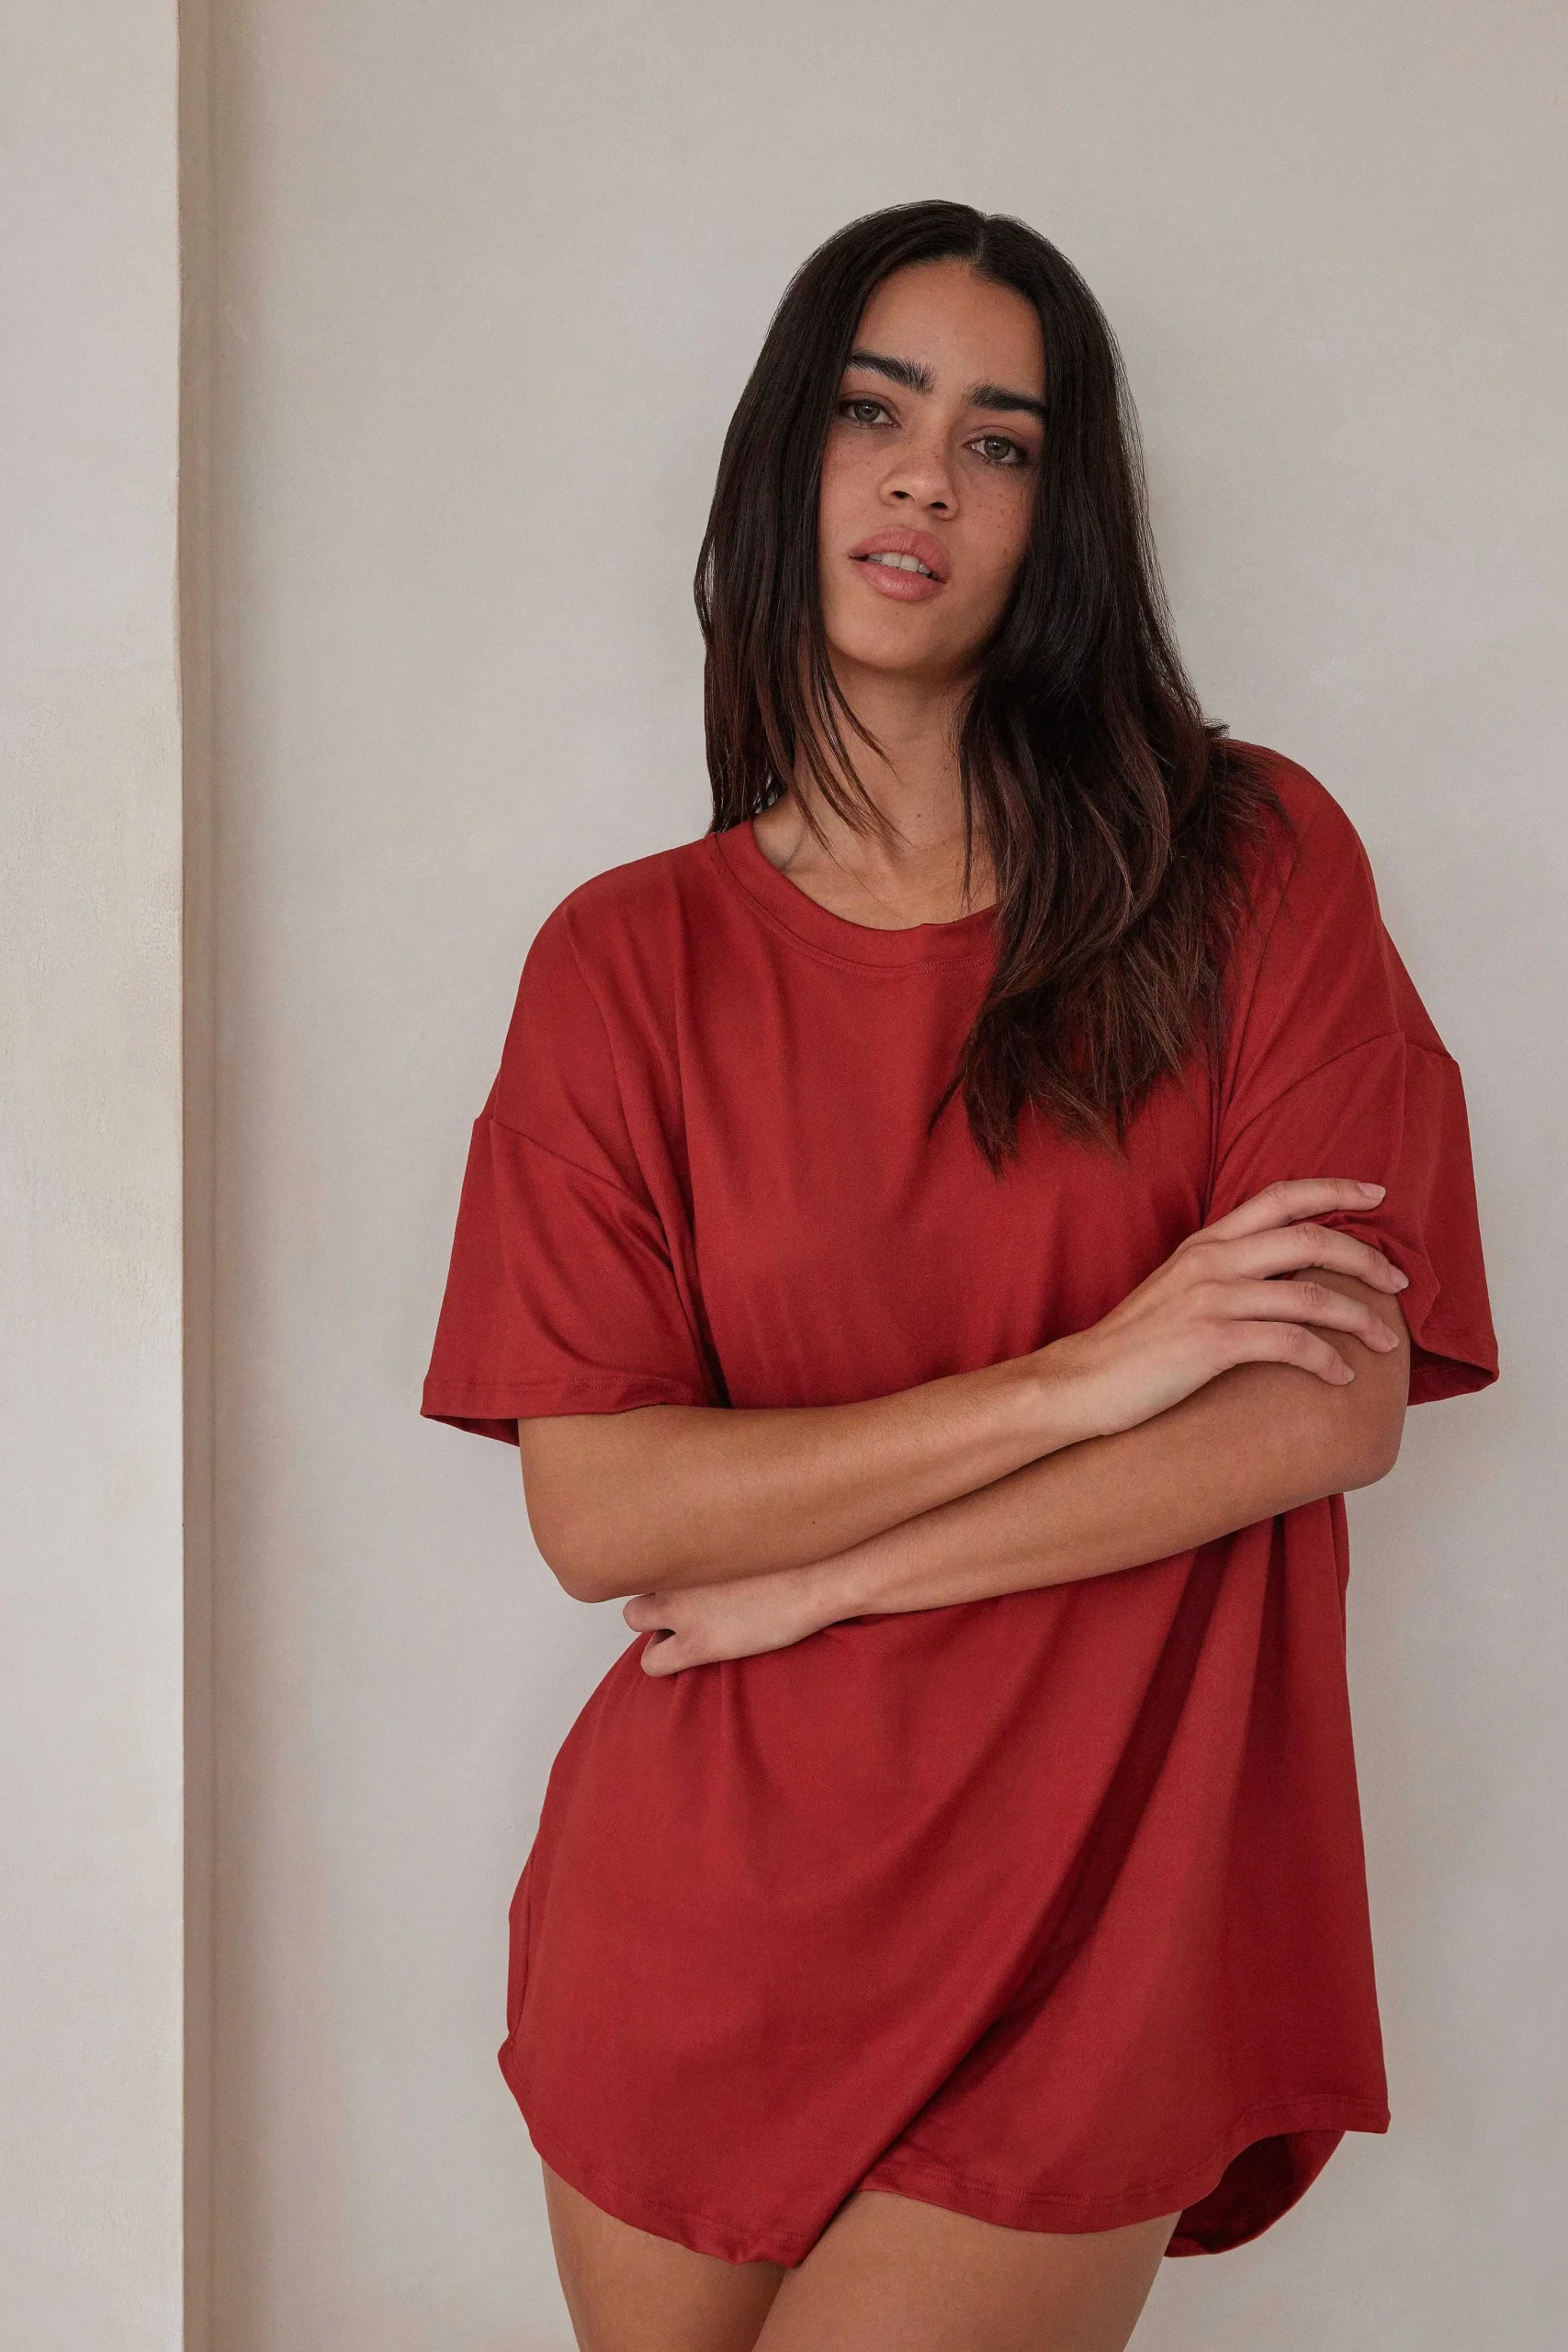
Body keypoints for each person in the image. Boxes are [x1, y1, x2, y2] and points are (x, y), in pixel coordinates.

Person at [423, 201, 1496, 2352]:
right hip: (702, 1912)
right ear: (783, 462)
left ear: (1055, 522)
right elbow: (601, 1507)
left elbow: (1320, 1402)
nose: (925, 476)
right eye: (872, 412)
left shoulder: (1247, 861)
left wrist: (825, 1575)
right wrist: (1091, 1370)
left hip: (1095, 1919)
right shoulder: (624, 960)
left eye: (999, 442)